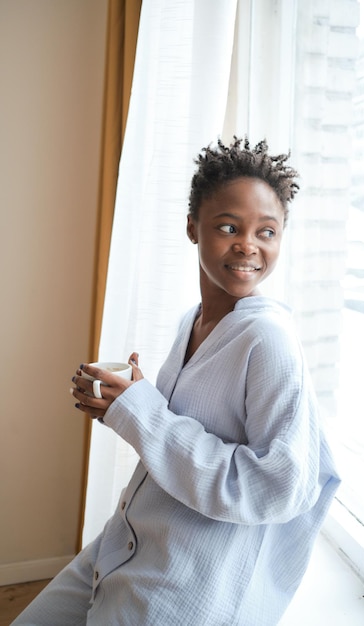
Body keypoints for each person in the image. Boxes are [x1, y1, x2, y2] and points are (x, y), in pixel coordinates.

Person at [13, 137, 340, 625]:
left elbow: (280, 487)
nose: (248, 245)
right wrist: (125, 405)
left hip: (180, 582)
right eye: (229, 226)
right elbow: (174, 430)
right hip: (124, 545)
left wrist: (142, 413)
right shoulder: (194, 321)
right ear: (193, 228)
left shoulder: (269, 340)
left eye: (267, 232)